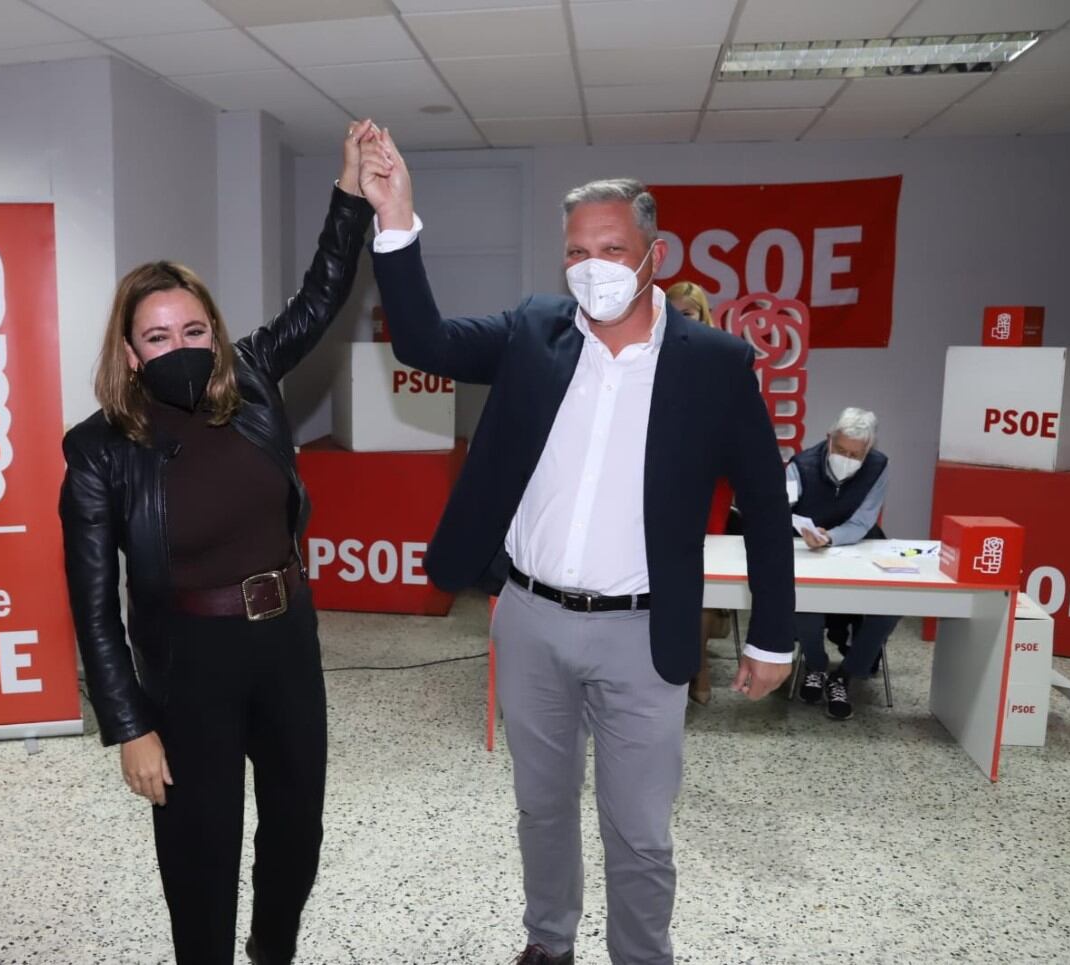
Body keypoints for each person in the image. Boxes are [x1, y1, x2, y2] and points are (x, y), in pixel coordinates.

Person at [358, 135, 795, 965]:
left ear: (653, 255)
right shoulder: (535, 330)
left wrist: (773, 633)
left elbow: (766, 507)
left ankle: (640, 955)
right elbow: (424, 343)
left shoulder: (715, 363)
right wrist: (395, 218)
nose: (592, 268)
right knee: (541, 807)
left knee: (639, 829)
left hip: (642, 633)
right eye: (577, 253)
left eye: (612, 250)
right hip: (529, 618)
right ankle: (548, 943)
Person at [58, 121, 380, 965]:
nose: (180, 347)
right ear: (129, 353)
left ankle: (273, 951)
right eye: (158, 337)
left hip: (284, 645)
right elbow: (92, 608)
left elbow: (322, 293)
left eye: (193, 330)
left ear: (215, 331)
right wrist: (129, 724)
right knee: (200, 854)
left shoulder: (257, 382)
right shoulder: (97, 450)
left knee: (295, 829)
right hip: (185, 666)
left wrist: (350, 192)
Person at [788, 406, 900, 721]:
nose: (846, 458)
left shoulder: (879, 467)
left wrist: (831, 538)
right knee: (802, 598)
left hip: (859, 545)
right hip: (805, 547)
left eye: (855, 454)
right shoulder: (801, 465)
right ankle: (816, 664)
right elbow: (782, 510)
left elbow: (864, 520)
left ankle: (847, 673)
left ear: (868, 451)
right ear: (828, 438)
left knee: (892, 606)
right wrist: (806, 533)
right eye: (840, 449)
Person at [664, 279, 730, 704]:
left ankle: (700, 666)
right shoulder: (648, 355)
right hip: (664, 478)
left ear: (702, 315)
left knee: (702, 578)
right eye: (671, 312)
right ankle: (668, 662)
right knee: (663, 573)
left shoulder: (721, 356)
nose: (677, 320)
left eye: (686, 313)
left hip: (709, 481)